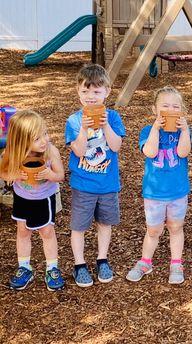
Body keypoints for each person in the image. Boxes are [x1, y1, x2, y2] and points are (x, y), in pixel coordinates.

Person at [65, 64, 126, 287]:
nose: (91, 97)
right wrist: (83, 129)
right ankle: (79, 264)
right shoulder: (73, 120)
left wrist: (105, 124)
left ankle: (102, 259)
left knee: (104, 223)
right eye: (85, 91)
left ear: (107, 92)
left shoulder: (114, 117)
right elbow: (79, 151)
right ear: (78, 92)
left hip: (108, 184)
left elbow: (116, 146)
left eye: (97, 92)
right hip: (83, 184)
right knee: (79, 226)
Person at [126, 86, 191, 284]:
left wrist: (186, 130)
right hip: (154, 193)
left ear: (181, 111)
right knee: (153, 230)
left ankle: (176, 263)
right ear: (155, 110)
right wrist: (155, 128)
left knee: (176, 227)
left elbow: (182, 153)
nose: (170, 110)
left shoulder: (184, 132)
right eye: (165, 106)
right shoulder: (148, 130)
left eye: (175, 106)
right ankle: (146, 262)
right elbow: (150, 152)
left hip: (178, 192)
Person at [0, 110, 65, 291]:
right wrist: (12, 175)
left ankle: (52, 269)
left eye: (45, 133)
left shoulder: (51, 151)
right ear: (22, 140)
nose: (44, 140)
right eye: (37, 138)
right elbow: (3, 171)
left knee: (47, 232)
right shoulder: (13, 153)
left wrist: (50, 174)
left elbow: (60, 175)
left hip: (44, 199)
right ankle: (24, 267)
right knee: (22, 231)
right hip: (22, 199)